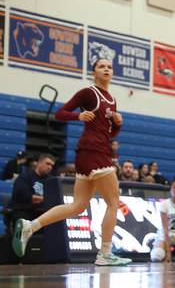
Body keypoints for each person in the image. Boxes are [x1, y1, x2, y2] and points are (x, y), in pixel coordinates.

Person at [13, 59, 130, 266]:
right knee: (113, 202)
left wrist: (117, 125)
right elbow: (60, 113)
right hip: (94, 152)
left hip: (89, 153)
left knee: (77, 206)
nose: (106, 69)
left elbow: (109, 133)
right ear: (93, 71)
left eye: (109, 67)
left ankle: (30, 226)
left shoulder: (111, 99)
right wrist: (79, 116)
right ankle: (105, 253)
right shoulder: (88, 92)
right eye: (102, 66)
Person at [9, 154, 55, 229]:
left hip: (42, 213)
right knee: (22, 219)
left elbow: (55, 198)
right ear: (39, 163)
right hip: (24, 211)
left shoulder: (52, 180)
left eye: (52, 165)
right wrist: (45, 199)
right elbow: (23, 195)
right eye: (48, 164)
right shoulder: (25, 177)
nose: (50, 167)